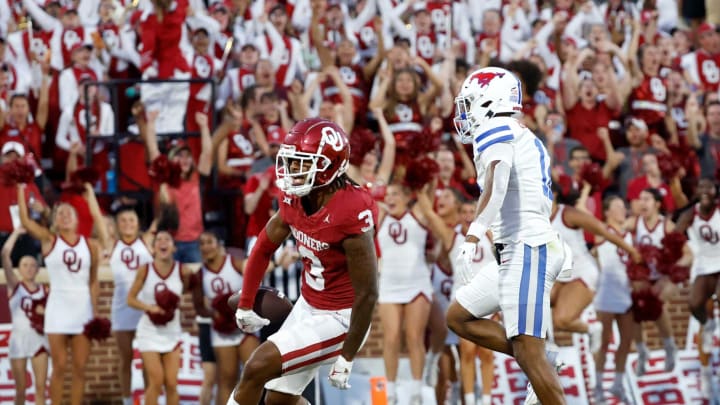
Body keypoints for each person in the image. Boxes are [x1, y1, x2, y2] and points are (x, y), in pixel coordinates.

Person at [227, 118, 379, 405]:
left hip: (342, 317)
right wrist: (246, 302)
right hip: (309, 305)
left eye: (302, 163)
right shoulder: (296, 198)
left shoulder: (351, 210)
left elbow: (368, 292)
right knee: (279, 401)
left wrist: (347, 355)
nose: (292, 172)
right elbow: (262, 247)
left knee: (256, 367)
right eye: (291, 162)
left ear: (330, 166)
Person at [449, 66, 566, 405]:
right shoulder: (517, 131)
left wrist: (472, 235)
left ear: (489, 100)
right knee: (458, 317)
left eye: (469, 103)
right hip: (519, 250)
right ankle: (543, 358)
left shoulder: (495, 127)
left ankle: (540, 360)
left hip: (526, 248)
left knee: (530, 356)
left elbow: (498, 184)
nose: (465, 112)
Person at [17, 183, 100, 405]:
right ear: (55, 221)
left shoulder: (90, 245)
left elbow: (93, 281)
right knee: (60, 366)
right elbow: (26, 221)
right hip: (58, 309)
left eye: (69, 213)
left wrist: (96, 313)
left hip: (83, 309)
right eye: (60, 214)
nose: (64, 216)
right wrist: (20, 188)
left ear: (77, 220)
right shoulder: (48, 240)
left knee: (80, 368)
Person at [415, 186, 498, 405]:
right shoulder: (453, 237)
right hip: (463, 301)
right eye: (466, 213)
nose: (470, 217)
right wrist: (421, 188)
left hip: (489, 299)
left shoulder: (492, 236)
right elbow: (431, 215)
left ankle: (486, 400)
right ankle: (470, 400)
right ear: (460, 215)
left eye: (474, 213)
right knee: (467, 352)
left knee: (488, 354)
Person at [549, 181, 639, 352]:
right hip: (558, 275)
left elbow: (603, 231)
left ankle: (592, 329)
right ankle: (545, 343)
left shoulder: (567, 214)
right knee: (528, 303)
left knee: (560, 320)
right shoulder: (531, 220)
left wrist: (631, 250)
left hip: (581, 272)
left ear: (552, 194)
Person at [377, 183, 433, 404]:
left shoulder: (417, 213)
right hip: (389, 285)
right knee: (390, 339)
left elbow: (427, 189)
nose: (390, 198)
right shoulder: (380, 214)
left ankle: (416, 392)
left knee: (414, 338)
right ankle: (390, 394)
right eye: (388, 194)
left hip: (417, 284)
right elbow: (362, 180)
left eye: (395, 194)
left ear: (407, 197)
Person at [127, 230, 194, 405]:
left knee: (171, 384)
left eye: (167, 239)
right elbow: (130, 299)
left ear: (173, 247)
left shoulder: (183, 270)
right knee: (156, 382)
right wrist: (150, 307)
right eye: (159, 240)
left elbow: (186, 292)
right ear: (153, 247)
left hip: (172, 331)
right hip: (149, 332)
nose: (162, 242)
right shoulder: (145, 270)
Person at [193, 231, 260, 404]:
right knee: (226, 379)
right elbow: (199, 308)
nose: (206, 246)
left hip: (244, 326)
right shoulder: (200, 275)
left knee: (255, 373)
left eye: (209, 241)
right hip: (222, 331)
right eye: (202, 243)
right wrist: (215, 314)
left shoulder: (234, 263)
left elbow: (256, 281)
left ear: (218, 244)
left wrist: (243, 307)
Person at [107, 207, 154, 405]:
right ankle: (127, 400)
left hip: (144, 308)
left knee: (146, 360)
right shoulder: (112, 244)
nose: (127, 223)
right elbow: (97, 219)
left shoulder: (147, 241)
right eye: (123, 220)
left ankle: (147, 399)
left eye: (131, 220)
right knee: (125, 359)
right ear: (117, 225)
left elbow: (162, 213)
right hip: (121, 309)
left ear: (138, 223)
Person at [592, 196, 637, 403]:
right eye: (618, 206)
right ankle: (598, 386)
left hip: (625, 291)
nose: (623, 210)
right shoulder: (602, 231)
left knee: (627, 340)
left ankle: (617, 383)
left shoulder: (629, 234)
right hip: (606, 292)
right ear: (607, 211)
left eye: (623, 206)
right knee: (603, 342)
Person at [2, 227, 48, 405]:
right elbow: (5, 254)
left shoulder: (45, 290)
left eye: (32, 265)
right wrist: (15, 233)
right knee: (20, 390)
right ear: (19, 269)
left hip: (39, 340)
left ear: (37, 269)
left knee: (40, 389)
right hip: (19, 340)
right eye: (24, 265)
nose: (29, 268)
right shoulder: (15, 287)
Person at [676, 178, 720, 357]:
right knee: (694, 304)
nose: (704, 191)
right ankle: (708, 325)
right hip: (704, 264)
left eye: (708, 187)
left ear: (716, 192)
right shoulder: (689, 214)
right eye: (700, 187)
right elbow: (674, 237)